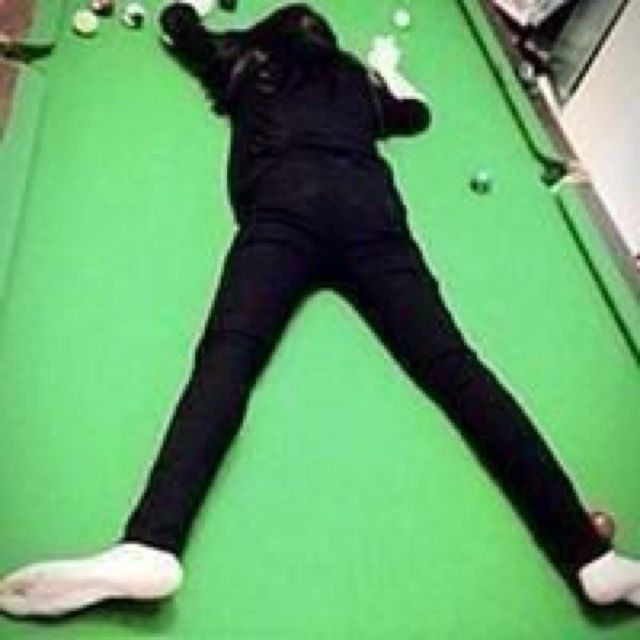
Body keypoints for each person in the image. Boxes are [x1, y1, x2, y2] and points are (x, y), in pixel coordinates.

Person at [1, 0, 639, 619]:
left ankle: (151, 542)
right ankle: (590, 556)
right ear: (330, 48)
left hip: (284, 211)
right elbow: (416, 116)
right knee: (456, 369)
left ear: (266, 40)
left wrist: (196, 10)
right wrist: (387, 69)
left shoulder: (245, 64)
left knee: (228, 359)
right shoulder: (355, 84)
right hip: (371, 216)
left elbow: (175, 25)